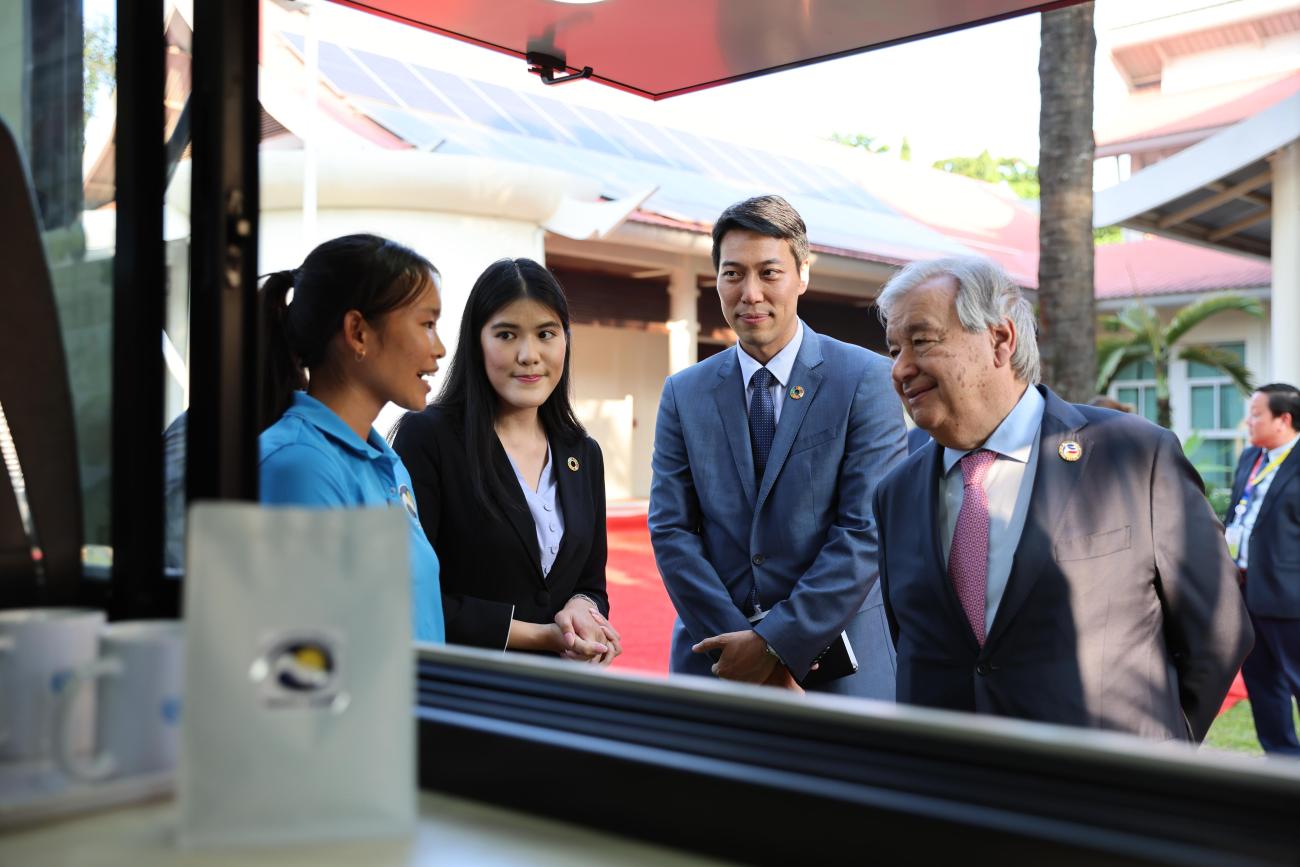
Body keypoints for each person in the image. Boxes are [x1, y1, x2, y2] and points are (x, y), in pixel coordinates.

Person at [872, 254, 1252, 741]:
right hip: (953, 794)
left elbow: (1218, 633)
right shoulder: (895, 494)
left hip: (1105, 795)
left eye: (921, 341)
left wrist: (1157, 750)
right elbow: (912, 645)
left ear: (1000, 340)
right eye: (893, 349)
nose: (901, 368)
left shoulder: (1134, 455)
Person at [649, 195, 906, 696]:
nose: (750, 293)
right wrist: (741, 646)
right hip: (715, 655)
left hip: (837, 665)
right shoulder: (684, 393)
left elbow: (864, 530)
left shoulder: (866, 379)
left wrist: (775, 644)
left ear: (802, 273)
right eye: (733, 274)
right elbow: (671, 529)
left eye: (769, 272)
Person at [391, 258, 619, 663]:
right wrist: (543, 637)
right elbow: (408, 593)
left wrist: (584, 611)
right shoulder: (429, 438)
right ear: (477, 342)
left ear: (565, 340)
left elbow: (591, 582)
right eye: (507, 334)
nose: (529, 355)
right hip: (463, 692)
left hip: (558, 698)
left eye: (546, 334)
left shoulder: (583, 454)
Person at [258, 233, 446, 643]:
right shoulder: (300, 466)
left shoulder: (386, 462)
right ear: (358, 331)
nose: (441, 349)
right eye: (427, 325)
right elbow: (304, 663)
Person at [1225, 383, 1300, 755]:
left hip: (1290, 601)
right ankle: (1283, 766)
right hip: (1245, 595)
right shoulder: (1250, 458)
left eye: (1256, 414)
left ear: (1283, 420)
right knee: (1263, 688)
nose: (1248, 421)